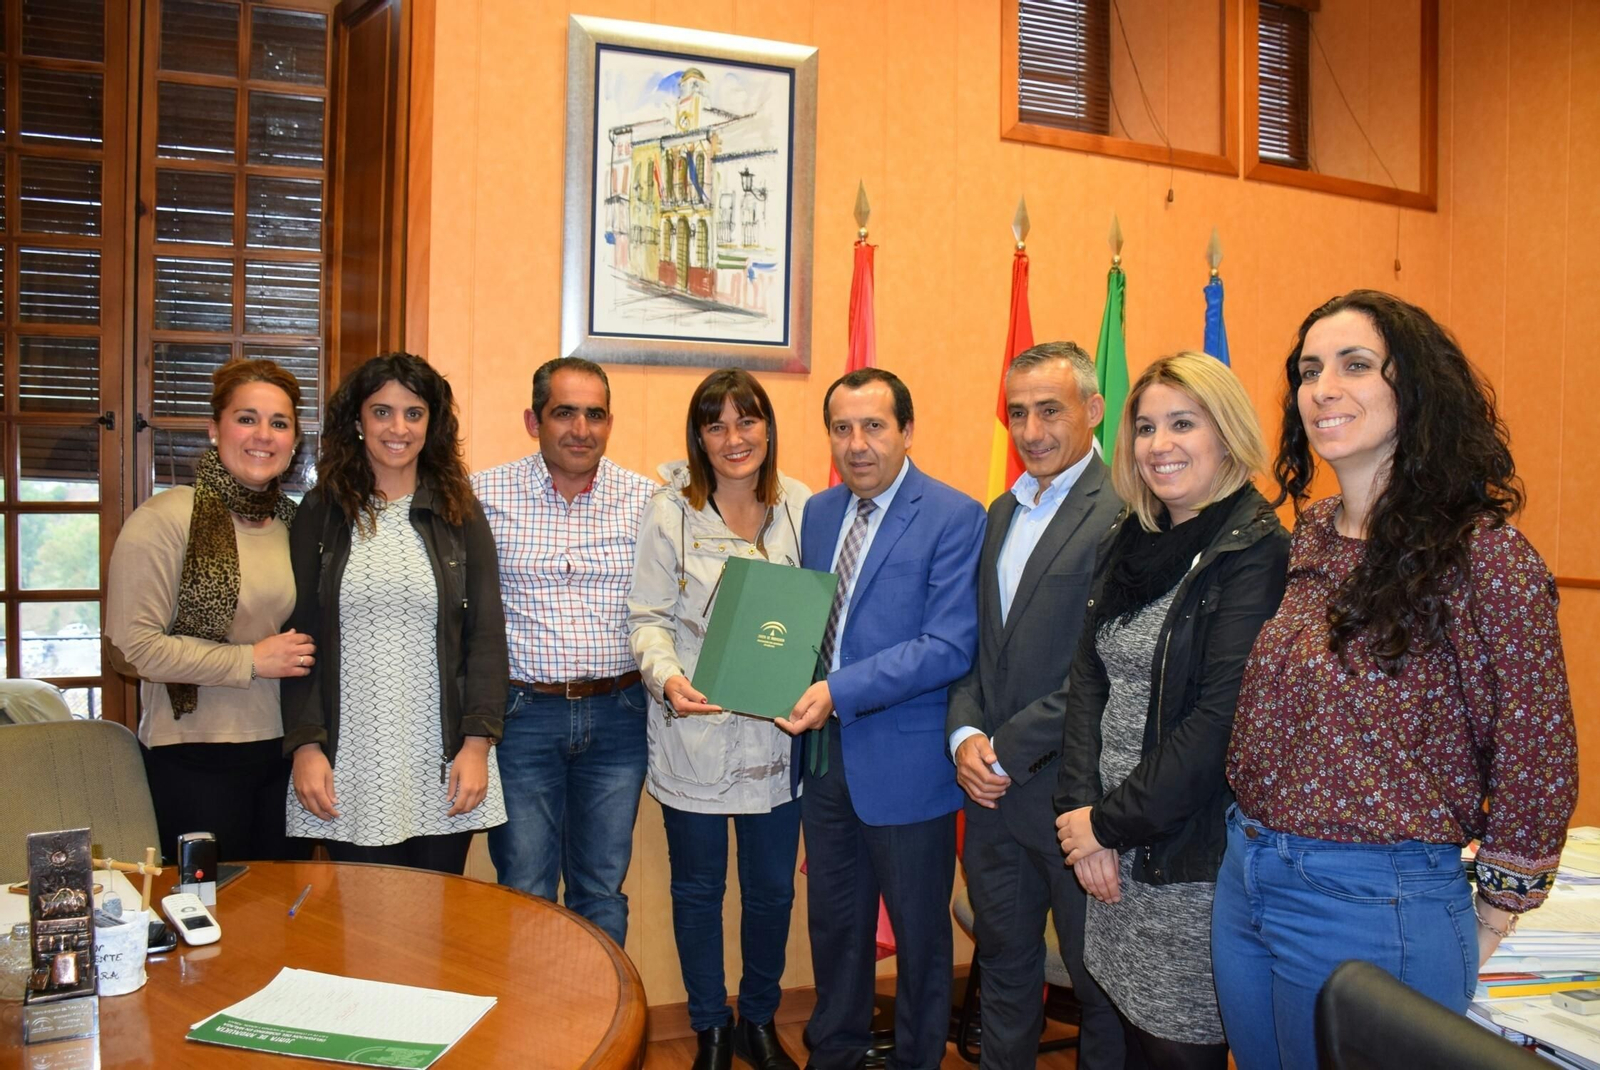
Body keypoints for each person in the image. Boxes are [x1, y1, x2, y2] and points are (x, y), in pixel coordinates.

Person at [1212, 290, 1578, 1070]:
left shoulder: (1483, 557)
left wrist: (1496, 912)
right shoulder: (1309, 535)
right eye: (1310, 370)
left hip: (1379, 900)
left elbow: (1538, 752)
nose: (1323, 389)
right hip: (1248, 876)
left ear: (1412, 388)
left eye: (1354, 365)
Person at [1053, 353, 1289, 1069]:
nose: (1160, 445)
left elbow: (1220, 722)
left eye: (1183, 423)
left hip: (1184, 858)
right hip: (1110, 850)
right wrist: (1078, 811)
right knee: (1128, 1034)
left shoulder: (1254, 550)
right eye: (1147, 427)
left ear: (1227, 433)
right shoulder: (1130, 537)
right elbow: (1088, 680)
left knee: (1175, 1047)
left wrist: (1104, 825)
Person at [779, 368, 986, 1070]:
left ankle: (918, 1062)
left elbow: (948, 645)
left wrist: (837, 690)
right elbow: (810, 628)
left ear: (906, 430)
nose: (857, 444)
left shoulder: (956, 516)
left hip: (908, 764)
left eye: (874, 426)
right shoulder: (819, 513)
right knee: (836, 928)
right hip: (826, 761)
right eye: (842, 428)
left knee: (924, 944)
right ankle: (832, 1055)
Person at [944, 341, 1125, 1070]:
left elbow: (1103, 664)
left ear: (1093, 409)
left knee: (1099, 992)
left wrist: (1004, 750)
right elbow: (978, 647)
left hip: (1073, 804)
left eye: (1049, 410)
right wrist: (963, 735)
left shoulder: (1125, 514)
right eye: (1016, 413)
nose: (1029, 430)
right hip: (991, 802)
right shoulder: (1001, 510)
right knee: (1008, 983)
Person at [628, 369, 810, 1070]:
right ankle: (708, 1027)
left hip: (777, 740)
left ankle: (757, 1022)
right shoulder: (669, 510)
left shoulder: (802, 506)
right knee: (698, 892)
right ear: (698, 436)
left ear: (768, 427)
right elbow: (647, 618)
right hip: (694, 736)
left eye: (747, 421)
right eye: (716, 425)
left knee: (768, 893)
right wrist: (666, 676)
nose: (734, 440)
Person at [281, 353, 508, 874]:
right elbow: (297, 638)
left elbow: (486, 638)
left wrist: (477, 744)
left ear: (433, 423)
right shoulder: (321, 512)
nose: (398, 428)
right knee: (361, 930)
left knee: (436, 925)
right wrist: (306, 747)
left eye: (414, 412)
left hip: (440, 757)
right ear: (357, 422)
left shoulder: (459, 513)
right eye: (382, 412)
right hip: (348, 759)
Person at [472, 357, 656, 945]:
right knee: (524, 885)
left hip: (619, 715)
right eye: (564, 413)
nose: (581, 428)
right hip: (524, 717)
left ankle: (602, 1033)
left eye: (595, 414)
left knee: (601, 889)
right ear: (534, 420)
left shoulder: (649, 500)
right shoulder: (483, 494)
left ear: (610, 422)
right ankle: (535, 1037)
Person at [106, 358, 314, 863]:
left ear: (293, 441)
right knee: (209, 922)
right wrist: (248, 661)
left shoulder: (298, 525)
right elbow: (130, 651)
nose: (263, 435)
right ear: (214, 429)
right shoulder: (165, 519)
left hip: (287, 754)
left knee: (288, 922)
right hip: (193, 757)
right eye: (247, 418)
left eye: (279, 423)